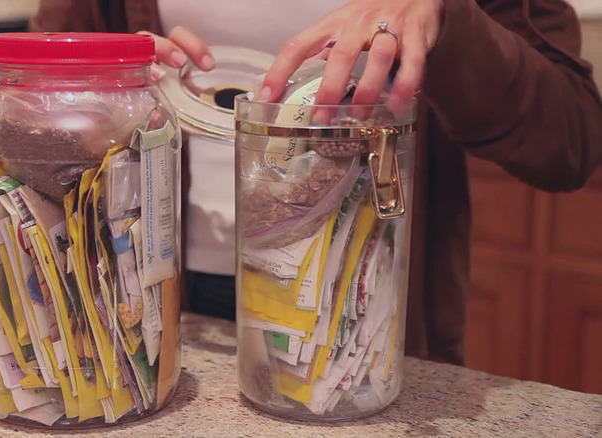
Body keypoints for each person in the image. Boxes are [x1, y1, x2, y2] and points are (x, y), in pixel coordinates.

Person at [30, 0, 602, 365]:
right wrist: (91, 79)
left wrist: (446, 18)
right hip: (149, 295)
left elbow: (571, 141)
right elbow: (30, 104)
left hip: (359, 306)